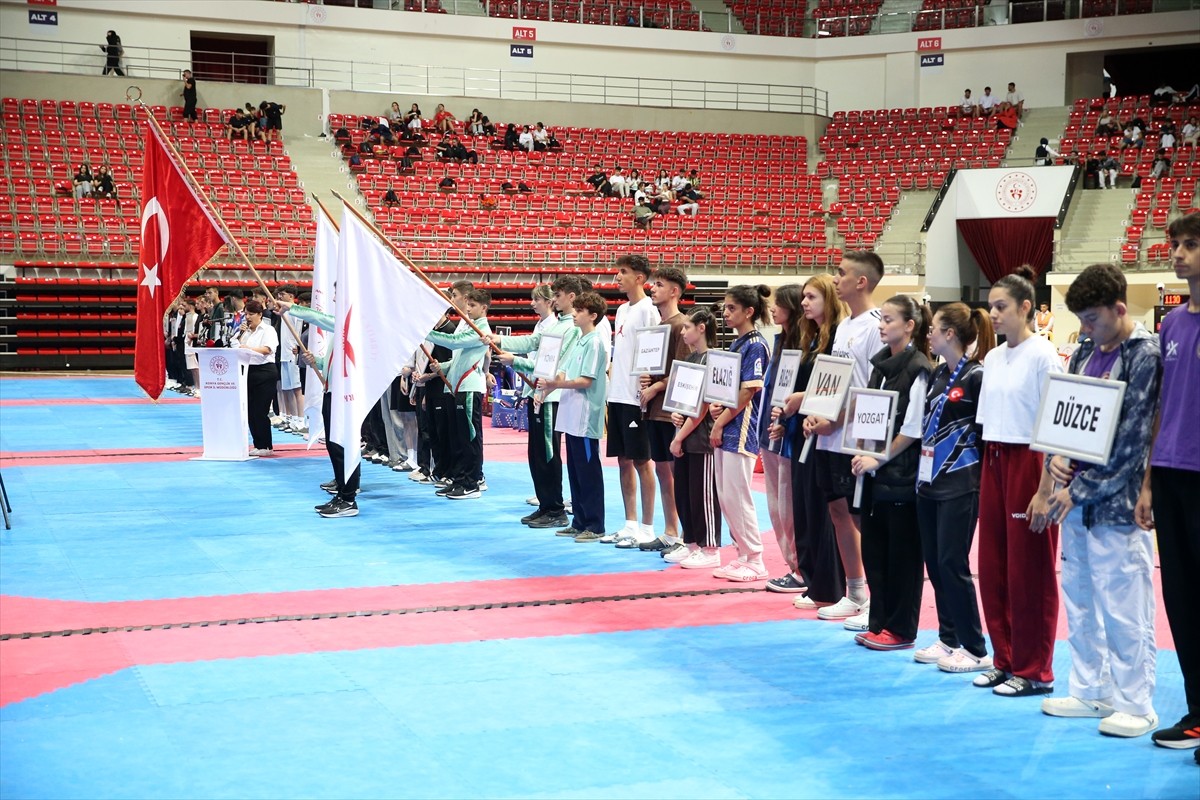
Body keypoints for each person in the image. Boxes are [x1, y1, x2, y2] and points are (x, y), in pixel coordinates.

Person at [1034, 264, 1162, 738]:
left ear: (1119, 309)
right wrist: (1055, 460)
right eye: (1081, 320)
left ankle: (1137, 703)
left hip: (1117, 505)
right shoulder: (1085, 351)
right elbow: (1064, 417)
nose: (1085, 329)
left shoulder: (1144, 355)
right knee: (1081, 598)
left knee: (1124, 606)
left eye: (1093, 319)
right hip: (1074, 502)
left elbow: (1134, 441)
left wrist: (1079, 489)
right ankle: (1091, 689)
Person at [974, 265, 1063, 698]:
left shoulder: (1044, 355)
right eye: (991, 306)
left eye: (1002, 306)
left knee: (1030, 568)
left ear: (1026, 308)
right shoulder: (992, 357)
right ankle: (1005, 658)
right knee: (993, 566)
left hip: (1030, 460)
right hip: (994, 458)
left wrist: (1045, 489)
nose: (993, 314)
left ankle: (1034, 669)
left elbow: (1055, 427)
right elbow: (987, 422)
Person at [1136, 212, 1200, 760]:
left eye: (1190, 245)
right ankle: (1198, 712)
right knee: (1180, 599)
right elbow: (1161, 407)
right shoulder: (1173, 324)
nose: (1177, 253)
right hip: (1172, 472)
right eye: (1176, 244)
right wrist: (1148, 483)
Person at [802, 251, 882, 627]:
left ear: (861, 281)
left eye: (841, 273)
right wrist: (816, 411)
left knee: (862, 518)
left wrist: (835, 419)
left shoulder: (875, 326)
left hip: (857, 438)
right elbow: (833, 381)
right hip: (830, 435)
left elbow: (874, 389)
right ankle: (855, 592)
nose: (835, 279)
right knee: (838, 512)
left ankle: (881, 599)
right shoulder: (845, 326)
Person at [913, 303, 994, 672]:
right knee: (934, 562)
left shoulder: (976, 376)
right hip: (929, 480)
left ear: (950, 334)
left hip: (962, 481)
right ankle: (949, 638)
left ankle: (975, 648)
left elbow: (985, 434)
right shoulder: (937, 373)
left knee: (952, 562)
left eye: (934, 328)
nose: (928, 334)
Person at [850, 296, 933, 651]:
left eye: (889, 320)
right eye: (881, 319)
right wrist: (861, 451)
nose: (882, 326)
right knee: (875, 551)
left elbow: (912, 429)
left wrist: (878, 459)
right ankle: (879, 621)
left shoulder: (918, 368)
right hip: (875, 474)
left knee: (902, 556)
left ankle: (901, 629)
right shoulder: (880, 365)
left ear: (909, 326)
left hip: (902, 476)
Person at [778, 274, 848, 610]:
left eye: (811, 297)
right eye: (804, 297)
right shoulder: (810, 338)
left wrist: (802, 399)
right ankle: (811, 580)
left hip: (825, 431)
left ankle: (828, 587)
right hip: (802, 430)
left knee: (822, 511)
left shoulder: (838, 338)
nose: (804, 303)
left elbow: (838, 385)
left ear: (828, 300)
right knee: (804, 508)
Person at [491, 277, 582, 530]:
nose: (555, 299)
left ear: (571, 297)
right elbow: (532, 344)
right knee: (537, 454)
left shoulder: (571, 328)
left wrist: (516, 361)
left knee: (548, 454)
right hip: (539, 392)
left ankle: (555, 508)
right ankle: (545, 504)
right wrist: (499, 340)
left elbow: (554, 364)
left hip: (550, 395)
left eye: (558, 295)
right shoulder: (556, 325)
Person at [707, 285, 771, 581]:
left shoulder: (756, 345)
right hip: (729, 422)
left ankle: (755, 558)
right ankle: (742, 554)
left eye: (732, 308)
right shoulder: (736, 343)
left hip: (742, 427)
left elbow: (749, 391)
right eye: (725, 307)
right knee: (726, 495)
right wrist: (717, 405)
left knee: (738, 493)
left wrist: (720, 422)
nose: (725, 313)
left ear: (749, 311)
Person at [598, 255, 661, 547]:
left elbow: (655, 353)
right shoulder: (622, 310)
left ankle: (647, 528)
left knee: (642, 461)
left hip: (637, 398)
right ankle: (630, 524)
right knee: (623, 460)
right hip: (617, 394)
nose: (617, 277)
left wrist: (649, 387)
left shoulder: (649, 310)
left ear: (640, 278)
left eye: (623, 272)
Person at [542, 292, 609, 543]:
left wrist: (557, 385)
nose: (575, 314)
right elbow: (564, 373)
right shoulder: (579, 341)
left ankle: (595, 524)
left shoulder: (595, 342)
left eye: (580, 311)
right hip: (571, 415)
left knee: (589, 472)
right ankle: (579, 521)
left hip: (586, 416)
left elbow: (585, 380)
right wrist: (551, 382)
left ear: (592, 316)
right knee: (575, 471)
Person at [635, 266, 691, 554]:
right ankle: (670, 531)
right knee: (662, 472)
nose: (652, 289)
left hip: (672, 411)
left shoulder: (682, 325)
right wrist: (648, 379)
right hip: (653, 409)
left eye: (659, 285)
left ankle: (686, 535)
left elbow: (685, 370)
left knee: (677, 474)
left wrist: (656, 386)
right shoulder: (657, 327)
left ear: (674, 291)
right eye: (653, 284)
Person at [760, 284, 807, 592]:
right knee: (776, 508)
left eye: (779, 304)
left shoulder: (805, 346)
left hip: (788, 435)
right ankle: (792, 565)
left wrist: (786, 422)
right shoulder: (779, 341)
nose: (773, 309)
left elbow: (799, 393)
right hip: (769, 430)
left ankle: (801, 569)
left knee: (789, 508)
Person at [668, 306, 722, 567]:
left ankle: (710, 548)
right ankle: (690, 542)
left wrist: (679, 436)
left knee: (703, 495)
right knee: (685, 493)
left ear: (702, 328)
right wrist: (676, 414)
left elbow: (702, 407)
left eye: (687, 327)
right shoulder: (690, 359)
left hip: (702, 438)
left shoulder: (714, 359)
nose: (683, 331)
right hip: (686, 434)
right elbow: (684, 401)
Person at [425, 288, 492, 499]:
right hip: (458, 387)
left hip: (469, 387)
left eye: (473, 306)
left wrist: (423, 332)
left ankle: (472, 482)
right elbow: (458, 359)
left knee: (469, 438)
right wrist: (442, 367)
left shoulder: (481, 330)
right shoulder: (468, 325)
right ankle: (460, 479)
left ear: (484, 308)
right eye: (468, 305)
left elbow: (453, 342)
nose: (468, 309)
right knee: (457, 438)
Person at [232, 300, 279, 457]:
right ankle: (257, 444)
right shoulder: (245, 331)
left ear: (260, 314)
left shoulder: (268, 330)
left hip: (265, 372)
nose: (248, 317)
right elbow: (234, 345)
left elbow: (267, 349)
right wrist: (240, 334)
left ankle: (266, 445)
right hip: (248, 371)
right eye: (246, 314)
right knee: (250, 411)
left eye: (251, 314)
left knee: (260, 410)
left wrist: (249, 348)